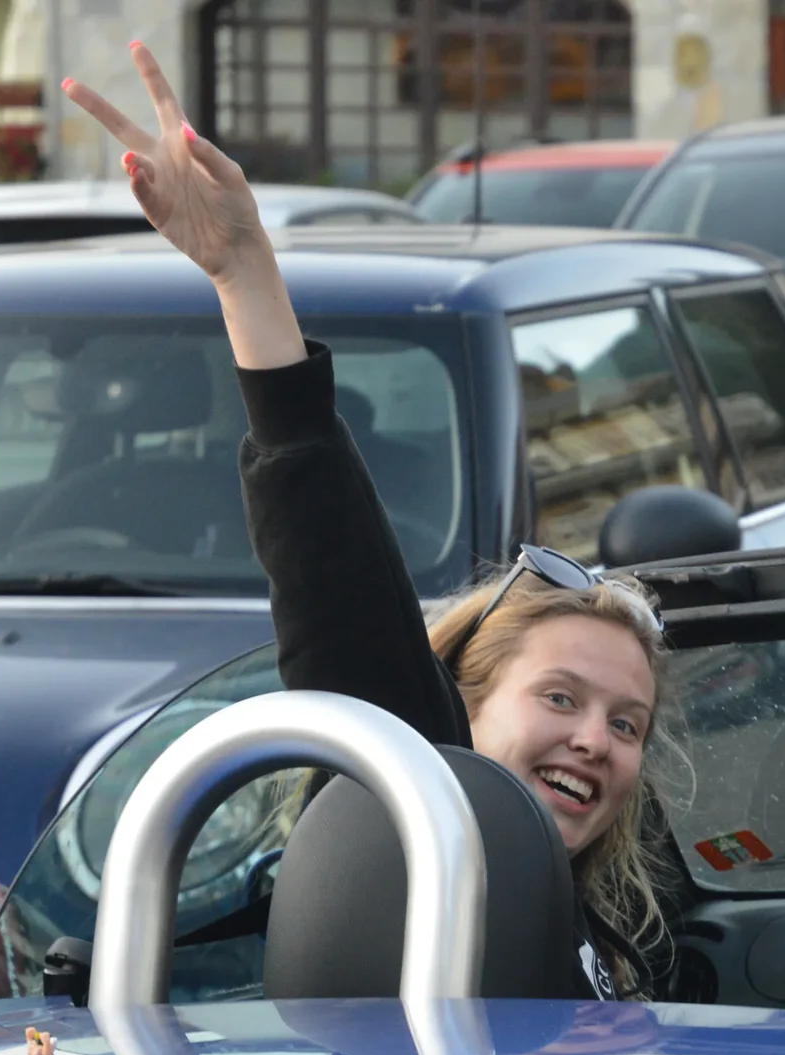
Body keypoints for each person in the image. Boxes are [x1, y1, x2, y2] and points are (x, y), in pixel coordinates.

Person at [65, 46, 674, 997]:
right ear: (459, 708)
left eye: (626, 722)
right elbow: (331, 568)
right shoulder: (423, 807)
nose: (596, 740)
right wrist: (243, 274)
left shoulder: (613, 925)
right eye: (560, 698)